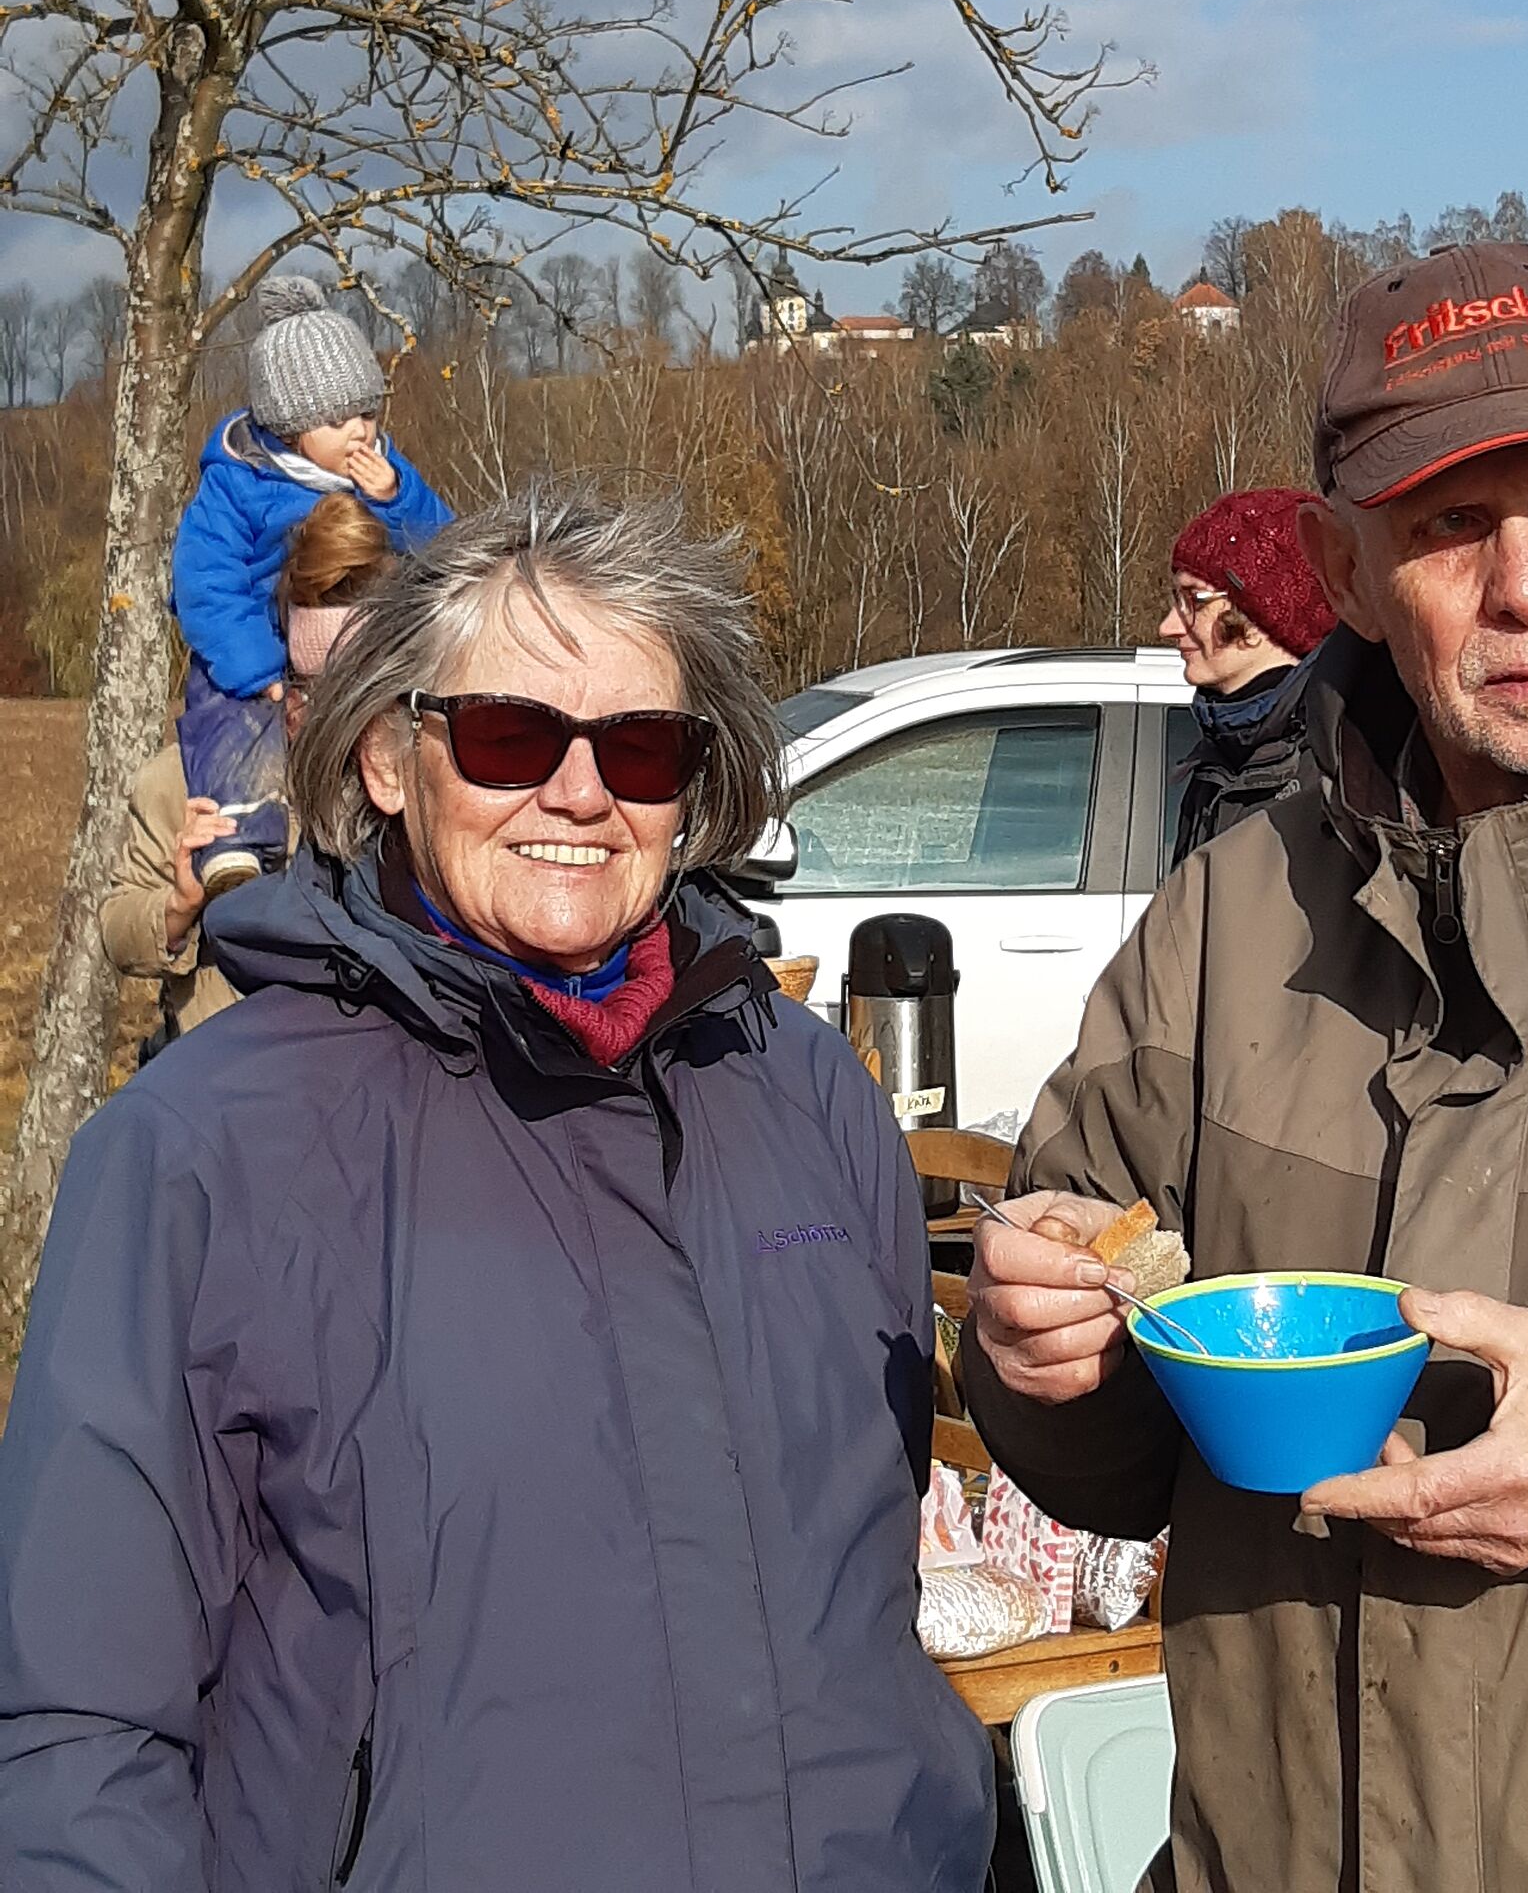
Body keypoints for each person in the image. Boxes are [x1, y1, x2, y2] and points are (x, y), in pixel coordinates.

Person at [0, 484, 993, 1893]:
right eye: (512, 734)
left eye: (640, 747)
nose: (579, 791)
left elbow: (863, 1595)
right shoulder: (197, 1157)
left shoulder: (808, 1094)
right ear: (393, 759)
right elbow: (74, 1734)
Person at [963, 240, 1528, 1893]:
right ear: (1344, 574)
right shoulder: (1223, 921)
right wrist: (1043, 1365)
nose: (1527, 585)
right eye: (1446, 525)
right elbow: (1110, 1463)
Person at [170, 274, 450, 894]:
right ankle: (239, 838)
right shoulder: (238, 482)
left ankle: (395, 839)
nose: (361, 431)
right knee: (226, 718)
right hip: (256, 650)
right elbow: (205, 582)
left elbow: (445, 549)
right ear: (292, 429)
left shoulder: (382, 471)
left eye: (367, 411)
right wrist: (257, 667)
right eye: (337, 418)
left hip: (353, 645)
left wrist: (397, 499)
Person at [102, 492, 397, 1041]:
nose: (322, 710)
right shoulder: (184, 778)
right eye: (307, 684)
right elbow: (118, 931)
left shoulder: (418, 773)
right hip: (221, 1088)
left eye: (352, 691)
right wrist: (178, 905)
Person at [1158, 488, 1336, 864]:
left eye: (1194, 601)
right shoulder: (1216, 762)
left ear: (1260, 613)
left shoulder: (1339, 778)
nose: (1168, 627)